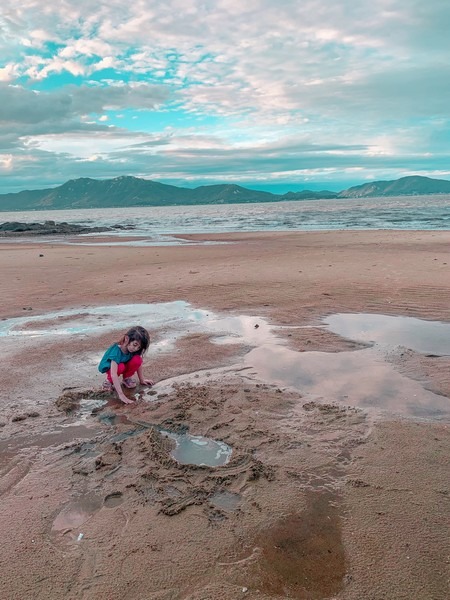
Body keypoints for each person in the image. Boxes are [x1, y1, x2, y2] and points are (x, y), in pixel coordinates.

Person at [98, 326, 154, 404]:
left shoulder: (133, 350)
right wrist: (121, 395)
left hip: (124, 363)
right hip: (111, 368)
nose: (136, 348)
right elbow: (114, 374)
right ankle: (108, 381)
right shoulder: (116, 350)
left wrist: (142, 380)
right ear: (127, 339)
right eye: (135, 345)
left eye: (139, 347)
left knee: (137, 359)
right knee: (120, 367)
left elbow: (138, 364)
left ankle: (126, 378)